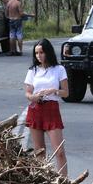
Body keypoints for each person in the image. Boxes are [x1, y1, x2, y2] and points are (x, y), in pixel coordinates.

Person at [24, 39, 69, 176]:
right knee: (40, 151)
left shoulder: (59, 69)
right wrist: (33, 97)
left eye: (42, 52)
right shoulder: (33, 70)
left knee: (59, 151)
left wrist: (53, 91)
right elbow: (28, 92)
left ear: (48, 52)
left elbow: (66, 93)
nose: (39, 56)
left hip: (51, 109)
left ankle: (63, 182)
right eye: (36, 53)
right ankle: (43, 180)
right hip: (36, 109)